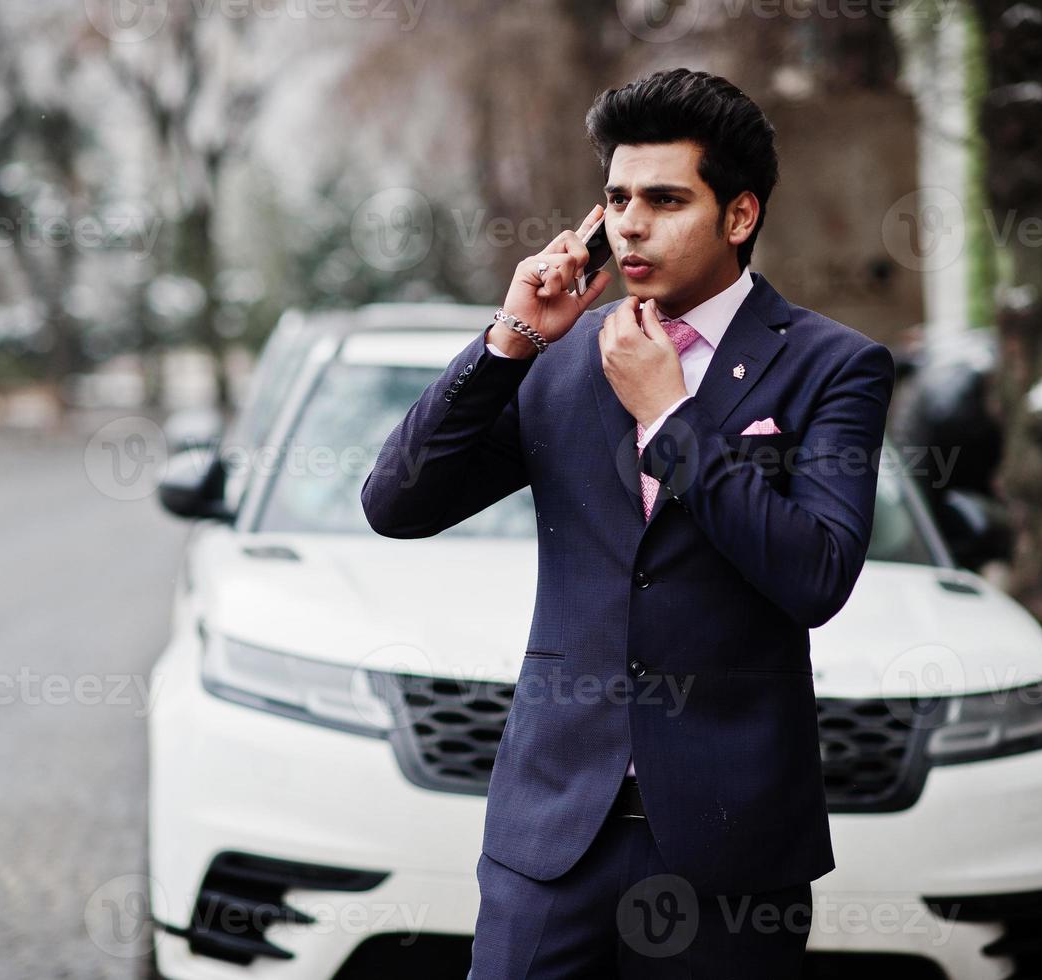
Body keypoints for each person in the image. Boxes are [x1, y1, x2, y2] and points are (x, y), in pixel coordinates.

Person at [362, 67, 896, 978]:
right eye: (614, 198)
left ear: (738, 215)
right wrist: (509, 340)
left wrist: (669, 419)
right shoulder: (562, 358)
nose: (630, 223)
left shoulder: (832, 366)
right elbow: (398, 502)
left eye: (663, 198)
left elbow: (815, 575)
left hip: (729, 852)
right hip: (550, 838)